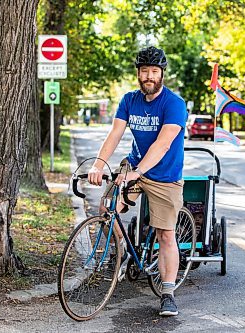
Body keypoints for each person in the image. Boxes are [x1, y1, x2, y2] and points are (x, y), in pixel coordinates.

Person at [88, 46, 187, 316]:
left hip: (164, 175)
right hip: (133, 167)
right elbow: (115, 134)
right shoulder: (129, 100)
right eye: (145, 71)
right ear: (138, 74)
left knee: (166, 234)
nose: (149, 76)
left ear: (162, 74)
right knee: (107, 209)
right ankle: (124, 254)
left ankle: (167, 292)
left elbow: (163, 144)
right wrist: (98, 164)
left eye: (155, 71)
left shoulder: (174, 104)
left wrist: (138, 171)